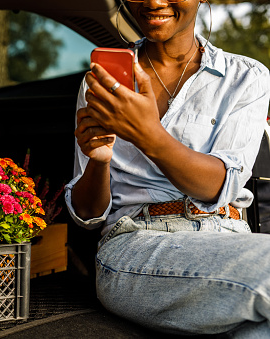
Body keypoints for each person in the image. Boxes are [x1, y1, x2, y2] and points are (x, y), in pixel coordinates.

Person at [65, 0, 270, 337]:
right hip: (135, 245)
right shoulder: (103, 81)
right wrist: (99, 163)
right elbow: (88, 213)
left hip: (228, 237)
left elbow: (217, 186)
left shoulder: (246, 76)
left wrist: (149, 136)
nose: (154, 1)